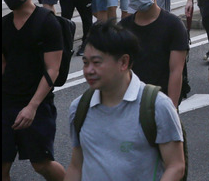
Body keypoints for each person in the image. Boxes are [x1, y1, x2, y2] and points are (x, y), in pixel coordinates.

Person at [66, 21, 185, 181]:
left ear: (123, 62)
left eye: (96, 63)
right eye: (85, 63)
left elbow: (176, 166)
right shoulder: (79, 107)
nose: (88, 71)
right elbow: (76, 165)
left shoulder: (157, 106)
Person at [2, 0, 66, 181]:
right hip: (7, 101)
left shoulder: (47, 22)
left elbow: (52, 69)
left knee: (41, 164)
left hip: (37, 104)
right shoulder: (4, 24)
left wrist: (32, 106)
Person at [118, 0, 189, 107]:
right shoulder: (123, 28)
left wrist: (172, 109)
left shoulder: (173, 25)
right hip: (131, 102)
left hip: (161, 101)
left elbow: (176, 71)